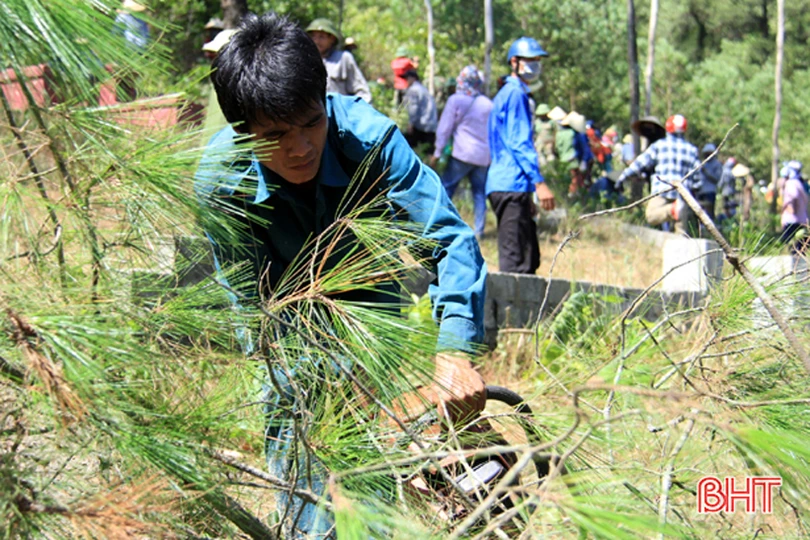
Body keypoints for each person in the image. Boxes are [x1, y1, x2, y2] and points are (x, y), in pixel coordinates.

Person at [195, 13, 486, 538]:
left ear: (326, 102)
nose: (301, 147)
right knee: (308, 496)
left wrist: (455, 351)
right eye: (276, 135)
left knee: (372, 496)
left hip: (370, 313)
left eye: (311, 123)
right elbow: (249, 307)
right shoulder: (221, 183)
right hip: (285, 331)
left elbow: (449, 238)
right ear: (243, 133)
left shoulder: (370, 140)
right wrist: (303, 375)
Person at [487, 36, 555, 274]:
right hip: (510, 184)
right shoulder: (515, 94)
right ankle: (508, 311)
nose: (535, 65)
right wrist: (538, 183)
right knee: (515, 263)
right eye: (530, 60)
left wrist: (528, 193)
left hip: (515, 186)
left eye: (537, 60)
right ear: (514, 62)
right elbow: (519, 142)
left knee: (528, 259)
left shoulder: (513, 93)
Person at [429, 65, 493, 240]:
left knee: (446, 189)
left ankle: (439, 226)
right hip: (482, 157)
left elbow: (444, 128)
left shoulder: (455, 100)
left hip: (462, 154)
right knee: (479, 194)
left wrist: (437, 152)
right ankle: (479, 231)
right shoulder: (488, 104)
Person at [616, 114, 701, 235]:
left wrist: (623, 176)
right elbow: (697, 179)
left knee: (651, 216)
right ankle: (675, 211)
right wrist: (694, 195)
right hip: (683, 195)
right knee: (681, 235)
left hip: (662, 190)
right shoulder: (692, 150)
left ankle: (671, 211)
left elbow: (639, 163)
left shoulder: (659, 146)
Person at [306, 18, 371, 103]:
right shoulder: (306, 61)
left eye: (321, 37)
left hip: (339, 113)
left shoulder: (344, 59)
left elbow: (362, 92)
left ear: (332, 39)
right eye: (313, 36)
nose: (317, 41)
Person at [402, 69, 437, 148]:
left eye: (407, 78)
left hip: (421, 125)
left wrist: (411, 123)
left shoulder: (413, 90)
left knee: (411, 147)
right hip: (430, 124)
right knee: (427, 150)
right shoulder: (423, 88)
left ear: (413, 78)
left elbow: (413, 107)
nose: (406, 81)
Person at [780, 160, 809, 255]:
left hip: (792, 221)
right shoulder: (799, 183)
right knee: (800, 249)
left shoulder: (791, 183)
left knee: (794, 249)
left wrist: (790, 207)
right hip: (801, 219)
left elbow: (793, 196)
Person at [697, 143, 722, 221]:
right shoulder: (702, 163)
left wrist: (706, 172)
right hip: (700, 191)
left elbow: (716, 179)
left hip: (710, 191)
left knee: (709, 213)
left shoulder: (717, 164)